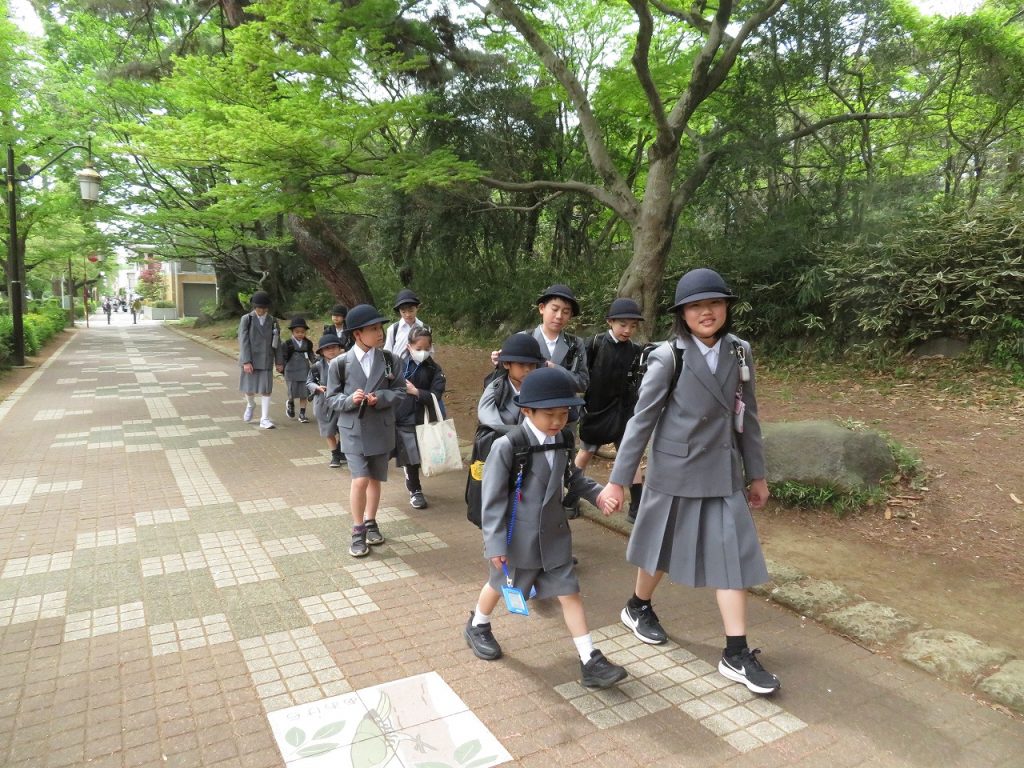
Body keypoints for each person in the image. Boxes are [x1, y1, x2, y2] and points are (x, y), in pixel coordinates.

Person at [596, 268, 779, 695]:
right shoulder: (668, 357)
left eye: (714, 303)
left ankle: (736, 652)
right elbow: (641, 422)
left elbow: (747, 417)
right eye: (696, 306)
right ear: (683, 314)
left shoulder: (740, 352)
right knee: (659, 551)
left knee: (733, 559)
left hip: (723, 473)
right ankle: (637, 606)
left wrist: (757, 475)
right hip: (674, 473)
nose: (706, 312)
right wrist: (618, 481)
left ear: (726, 307)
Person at [463, 366, 626, 690]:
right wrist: (494, 545)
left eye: (563, 414)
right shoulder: (508, 445)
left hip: (554, 536)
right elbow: (492, 501)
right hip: (518, 539)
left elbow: (572, 478)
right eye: (549, 415)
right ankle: (478, 624)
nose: (557, 421)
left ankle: (589, 659)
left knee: (570, 592)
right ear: (527, 411)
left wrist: (598, 495)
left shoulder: (563, 439)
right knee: (498, 584)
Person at [326, 304, 406, 558]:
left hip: (381, 428)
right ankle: (358, 529)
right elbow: (331, 398)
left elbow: (400, 391)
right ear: (357, 334)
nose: (380, 333)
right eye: (373, 329)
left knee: (375, 478)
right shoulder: (340, 363)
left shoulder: (390, 360)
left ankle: (371, 521)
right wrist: (350, 400)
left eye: (380, 327)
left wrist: (380, 397)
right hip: (353, 430)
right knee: (360, 479)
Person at [561, 298, 645, 520]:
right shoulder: (595, 343)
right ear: (610, 322)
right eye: (622, 324)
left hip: (624, 410)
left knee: (630, 454)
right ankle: (571, 498)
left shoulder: (636, 350)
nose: (627, 330)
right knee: (585, 453)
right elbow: (580, 375)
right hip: (596, 410)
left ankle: (637, 506)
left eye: (633, 326)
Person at [466, 333, 547, 527]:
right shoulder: (496, 388)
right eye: (521, 364)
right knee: (498, 499)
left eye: (532, 365)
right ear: (507, 364)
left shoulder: (540, 389)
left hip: (532, 454)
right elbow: (489, 419)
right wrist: (520, 434)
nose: (527, 369)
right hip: (500, 452)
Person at [394, 326, 446, 509]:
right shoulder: (397, 365)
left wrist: (416, 392)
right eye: (418, 349)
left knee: (424, 453)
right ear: (408, 346)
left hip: (425, 417)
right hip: (402, 417)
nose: (423, 352)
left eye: (426, 348)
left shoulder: (435, 369)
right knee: (410, 456)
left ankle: (413, 480)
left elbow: (436, 394)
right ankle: (415, 490)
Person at [238, 291, 282, 430]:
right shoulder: (247, 319)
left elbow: (277, 342)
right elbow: (243, 341)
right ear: (254, 306)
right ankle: (251, 404)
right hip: (250, 359)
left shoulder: (273, 321)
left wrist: (279, 361)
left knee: (266, 389)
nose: (261, 310)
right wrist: (246, 361)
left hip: (266, 359)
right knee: (249, 389)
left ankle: (264, 418)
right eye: (258, 307)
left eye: (263, 308)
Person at [307, 331, 346, 468]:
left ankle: (342, 449)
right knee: (328, 430)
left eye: (334, 347)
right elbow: (309, 382)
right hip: (323, 403)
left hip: (342, 401)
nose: (331, 351)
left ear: (339, 348)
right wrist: (317, 387)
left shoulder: (346, 363)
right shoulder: (317, 366)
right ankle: (335, 455)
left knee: (345, 428)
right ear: (322, 352)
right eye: (327, 348)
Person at [277, 317, 317, 422]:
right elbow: (283, 357)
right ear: (292, 332)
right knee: (292, 392)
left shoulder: (308, 343)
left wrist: (317, 364)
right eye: (297, 332)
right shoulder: (287, 344)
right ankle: (290, 403)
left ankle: (302, 414)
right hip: (290, 372)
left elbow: (311, 356)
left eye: (302, 332)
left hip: (304, 371)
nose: (300, 334)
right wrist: (280, 367)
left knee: (304, 393)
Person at [384, 289, 426, 362]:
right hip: (398, 367)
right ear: (399, 311)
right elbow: (387, 352)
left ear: (417, 308)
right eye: (403, 312)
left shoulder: (424, 328)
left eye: (411, 310)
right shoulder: (393, 329)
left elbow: (428, 351)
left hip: (418, 365)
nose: (408, 315)